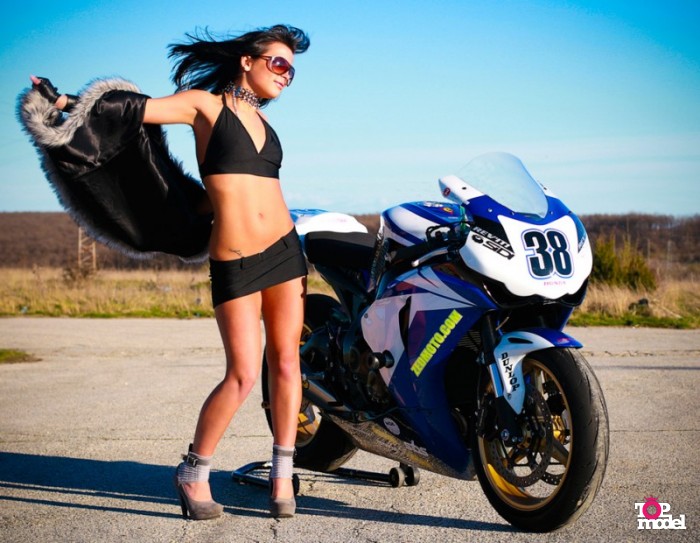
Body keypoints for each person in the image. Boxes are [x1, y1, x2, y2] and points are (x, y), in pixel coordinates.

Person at [28, 24, 311, 520]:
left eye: (293, 70)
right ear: (247, 60)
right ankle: (193, 471)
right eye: (280, 63)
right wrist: (65, 102)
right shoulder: (204, 106)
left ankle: (282, 474)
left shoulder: (266, 123)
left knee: (287, 365)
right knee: (243, 374)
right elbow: (128, 111)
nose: (287, 75)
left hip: (286, 252)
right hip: (237, 258)